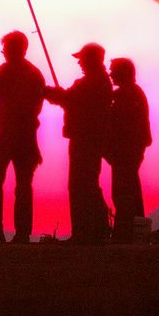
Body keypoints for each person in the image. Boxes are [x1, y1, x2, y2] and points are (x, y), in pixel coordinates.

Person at [0, 30, 46, 244]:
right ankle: (23, 234)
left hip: (7, 134)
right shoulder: (35, 74)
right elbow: (37, 105)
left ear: (11, 49)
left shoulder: (5, 71)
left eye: (5, 49)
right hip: (28, 136)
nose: (3, 53)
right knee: (24, 186)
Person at [44, 43, 112, 244]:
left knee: (82, 186)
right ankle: (93, 232)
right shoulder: (96, 82)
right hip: (87, 139)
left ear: (92, 59)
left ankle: (86, 233)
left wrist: (47, 92)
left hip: (86, 140)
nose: (79, 62)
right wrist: (56, 94)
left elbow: (69, 99)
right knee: (87, 185)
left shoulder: (94, 83)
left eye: (82, 58)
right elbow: (69, 99)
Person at [107, 57, 152, 243]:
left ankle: (126, 234)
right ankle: (132, 232)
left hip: (126, 151)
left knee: (124, 192)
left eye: (113, 70)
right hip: (129, 150)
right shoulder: (130, 93)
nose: (110, 74)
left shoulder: (128, 95)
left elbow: (121, 125)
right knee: (130, 190)